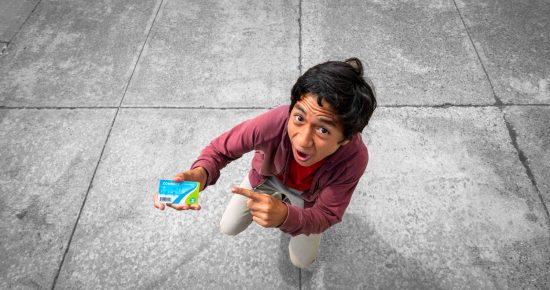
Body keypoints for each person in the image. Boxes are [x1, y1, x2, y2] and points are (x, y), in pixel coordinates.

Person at [153, 57, 377, 269]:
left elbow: (327, 214)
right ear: (291, 110)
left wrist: (286, 217)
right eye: (299, 118)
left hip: (310, 199)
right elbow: (221, 149)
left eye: (323, 129)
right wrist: (201, 173)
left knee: (302, 261)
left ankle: (287, 209)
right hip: (267, 179)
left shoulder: (354, 159)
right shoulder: (275, 122)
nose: (302, 139)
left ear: (346, 139)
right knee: (228, 227)